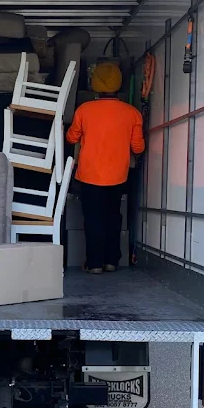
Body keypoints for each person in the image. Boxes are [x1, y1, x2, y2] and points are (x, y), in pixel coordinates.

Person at [66, 62, 145, 273]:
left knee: (93, 218)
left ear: (94, 84)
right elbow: (138, 147)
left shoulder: (84, 110)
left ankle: (94, 264)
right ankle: (112, 261)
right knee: (114, 217)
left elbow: (71, 137)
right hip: (118, 176)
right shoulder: (132, 113)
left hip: (89, 175)